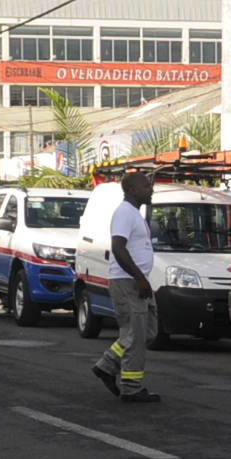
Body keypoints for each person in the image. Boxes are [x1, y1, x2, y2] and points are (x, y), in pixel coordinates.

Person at [91, 171, 162, 405]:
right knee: (135, 335)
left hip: (136, 282)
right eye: (146, 185)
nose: (150, 188)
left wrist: (143, 280)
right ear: (132, 190)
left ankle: (107, 365)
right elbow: (118, 248)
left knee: (147, 331)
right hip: (128, 282)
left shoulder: (134, 213)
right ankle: (131, 388)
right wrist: (139, 278)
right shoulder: (124, 213)